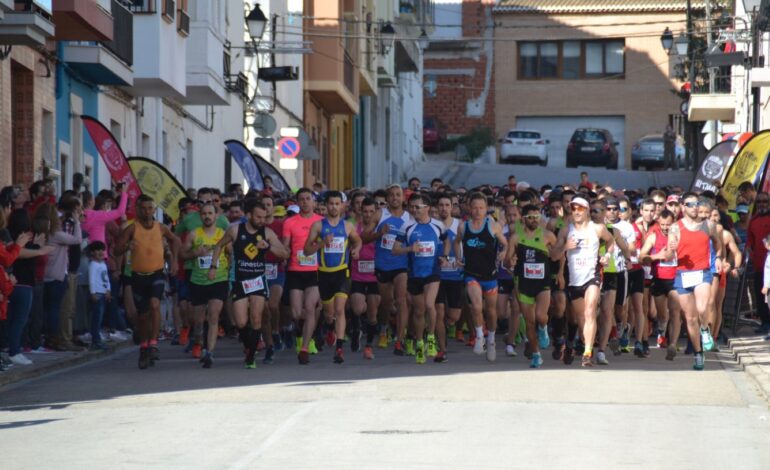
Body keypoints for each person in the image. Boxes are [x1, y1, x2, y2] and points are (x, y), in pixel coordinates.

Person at [210, 199, 288, 368]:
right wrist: (213, 266)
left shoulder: (267, 233)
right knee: (240, 323)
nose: (262, 220)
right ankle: (249, 346)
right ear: (249, 215)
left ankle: (251, 357)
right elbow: (218, 246)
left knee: (256, 318)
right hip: (240, 280)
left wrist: (267, 248)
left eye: (264, 217)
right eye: (259, 217)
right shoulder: (235, 230)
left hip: (258, 281)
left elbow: (284, 253)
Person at [115, 195, 181, 370]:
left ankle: (153, 343)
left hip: (157, 273)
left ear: (154, 209)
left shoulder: (161, 228)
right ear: (138, 209)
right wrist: (126, 247)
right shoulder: (131, 229)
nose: (147, 211)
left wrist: (174, 261)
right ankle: (144, 347)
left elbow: (176, 240)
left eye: (150, 208)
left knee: (155, 304)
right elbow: (116, 249)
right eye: (143, 208)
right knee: (142, 317)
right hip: (138, 275)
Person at [553, 196, 615, 367]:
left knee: (590, 312)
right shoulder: (566, 231)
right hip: (574, 280)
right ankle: (580, 343)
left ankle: (587, 353)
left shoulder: (598, 228)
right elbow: (553, 255)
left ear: (587, 210)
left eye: (580, 209)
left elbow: (611, 240)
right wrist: (565, 247)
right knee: (580, 320)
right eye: (573, 209)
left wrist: (607, 255)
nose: (577, 212)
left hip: (592, 276)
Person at [448, 192, 508, 362]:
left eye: (481, 208)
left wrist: (503, 253)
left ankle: (491, 340)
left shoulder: (493, 226)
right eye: (474, 207)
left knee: (491, 311)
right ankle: (480, 335)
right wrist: (458, 257)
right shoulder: (463, 227)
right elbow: (456, 242)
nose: (477, 211)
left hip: (490, 275)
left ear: (486, 209)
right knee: (476, 305)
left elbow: (505, 243)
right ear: (469, 208)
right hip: (471, 273)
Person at [303, 191, 362, 364]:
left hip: (342, 272)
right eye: (331, 204)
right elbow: (306, 251)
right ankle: (330, 327)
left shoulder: (347, 226)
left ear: (342, 206)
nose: (334, 207)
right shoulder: (318, 226)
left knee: (339, 309)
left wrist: (356, 249)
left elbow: (358, 241)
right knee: (329, 314)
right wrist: (322, 243)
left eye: (337, 204)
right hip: (324, 273)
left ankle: (339, 349)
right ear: (326, 206)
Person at [668, 192, 723, 370]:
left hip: (702, 272)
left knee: (703, 307)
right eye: (689, 204)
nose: (693, 207)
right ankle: (698, 354)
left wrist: (719, 258)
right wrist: (671, 249)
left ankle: (706, 330)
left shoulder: (708, 225)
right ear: (683, 207)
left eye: (696, 204)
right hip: (682, 274)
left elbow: (718, 243)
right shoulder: (675, 227)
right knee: (690, 318)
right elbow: (669, 253)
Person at [362, 184, 413, 355]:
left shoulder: (409, 218)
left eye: (398, 195)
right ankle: (384, 327)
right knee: (386, 303)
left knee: (401, 300)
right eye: (391, 195)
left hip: (401, 265)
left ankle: (400, 340)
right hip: (383, 265)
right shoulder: (380, 214)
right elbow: (364, 238)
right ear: (387, 198)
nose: (395, 198)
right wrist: (379, 233)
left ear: (403, 198)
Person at [505, 204, 557, 368]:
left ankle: (544, 328)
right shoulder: (515, 237)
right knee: (529, 322)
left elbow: (558, 256)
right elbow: (507, 261)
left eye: (537, 217)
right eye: (530, 217)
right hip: (523, 283)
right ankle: (536, 355)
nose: (534, 220)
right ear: (523, 219)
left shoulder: (548, 235)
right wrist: (510, 262)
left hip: (543, 282)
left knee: (541, 316)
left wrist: (560, 273)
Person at [182, 202, 231, 367]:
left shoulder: (223, 234)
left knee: (214, 315)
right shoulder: (194, 235)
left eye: (210, 213)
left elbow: (231, 253)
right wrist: (195, 253)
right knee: (198, 320)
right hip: (198, 280)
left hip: (219, 279)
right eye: (204, 214)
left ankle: (209, 352)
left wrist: (227, 269)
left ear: (216, 216)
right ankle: (198, 342)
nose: (207, 216)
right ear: (200, 216)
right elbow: (182, 253)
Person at [282, 188, 323, 365]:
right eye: (302, 199)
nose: (305, 202)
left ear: (314, 202)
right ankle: (302, 334)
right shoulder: (290, 222)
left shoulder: (321, 221)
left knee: (309, 308)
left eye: (308, 198)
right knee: (297, 313)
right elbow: (285, 246)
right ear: (297, 202)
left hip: (315, 271)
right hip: (295, 271)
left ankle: (305, 347)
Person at [640, 209, 680, 360]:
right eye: (662, 224)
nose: (665, 227)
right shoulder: (653, 236)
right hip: (659, 279)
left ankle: (672, 344)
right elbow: (641, 257)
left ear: (673, 222)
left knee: (675, 311)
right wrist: (658, 256)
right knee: (661, 314)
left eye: (668, 224)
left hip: (675, 279)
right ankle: (662, 332)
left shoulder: (679, 236)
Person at [349, 197, 381, 360]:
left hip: (375, 276)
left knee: (372, 314)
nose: (368, 215)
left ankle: (368, 346)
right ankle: (356, 329)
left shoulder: (380, 228)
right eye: (365, 211)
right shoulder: (355, 227)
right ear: (360, 212)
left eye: (371, 212)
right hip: (358, 275)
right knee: (357, 308)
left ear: (376, 213)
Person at [434, 193, 462, 363]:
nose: (444, 208)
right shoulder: (433, 226)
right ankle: (442, 349)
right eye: (441, 205)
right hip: (436, 276)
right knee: (439, 312)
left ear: (452, 207)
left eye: (447, 205)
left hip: (455, 276)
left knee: (454, 316)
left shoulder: (460, 226)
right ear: (437, 207)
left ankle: (444, 327)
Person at [747, 192, 770, 335]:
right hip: (759, 265)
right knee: (760, 296)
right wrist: (750, 253)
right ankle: (765, 323)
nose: (762, 204)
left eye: (764, 201)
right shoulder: (753, 220)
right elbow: (750, 241)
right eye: (759, 202)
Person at [87, 241, 111, 351]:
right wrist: (92, 293)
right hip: (97, 294)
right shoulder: (93, 265)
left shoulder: (103, 264)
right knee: (96, 319)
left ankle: (97, 340)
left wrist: (108, 290)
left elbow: (106, 279)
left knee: (100, 318)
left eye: (102, 249)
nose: (101, 252)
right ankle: (95, 341)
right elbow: (91, 280)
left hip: (103, 293)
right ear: (92, 253)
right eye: (97, 250)